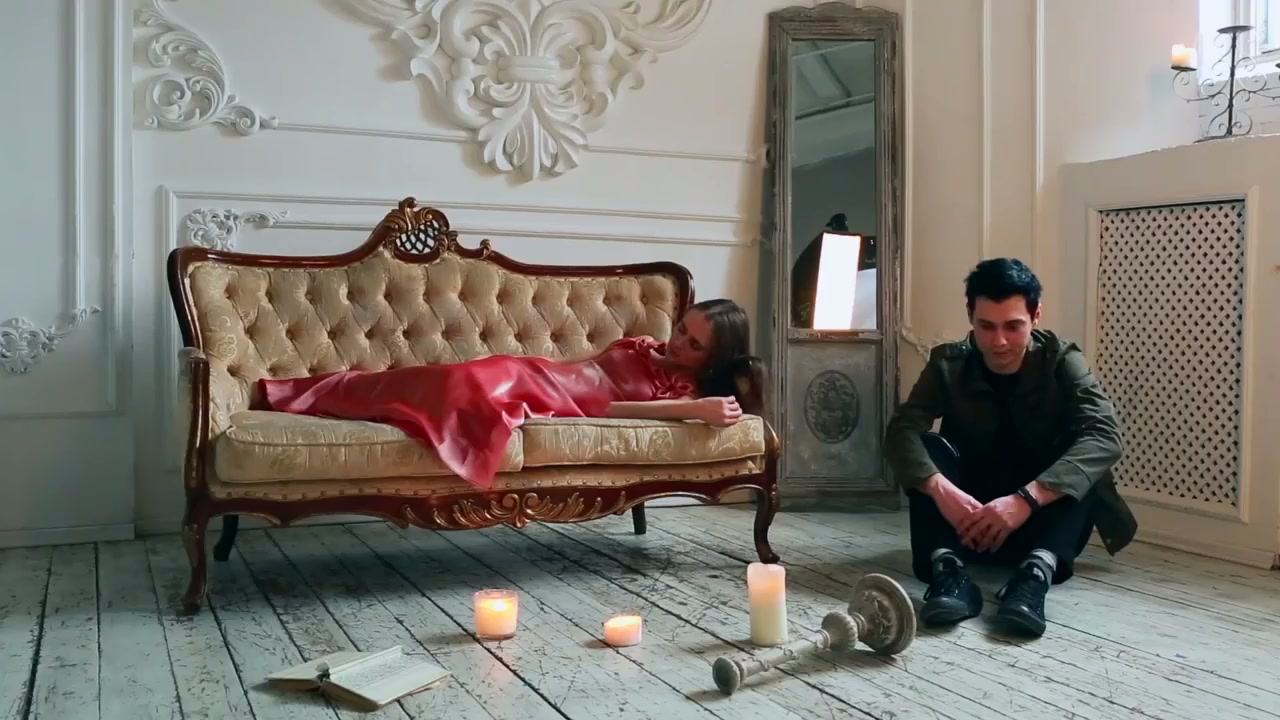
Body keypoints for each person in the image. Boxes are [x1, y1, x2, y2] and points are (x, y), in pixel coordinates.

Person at [256, 298, 766, 490]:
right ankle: (301, 394)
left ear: (713, 358)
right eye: (681, 328)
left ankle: (305, 396)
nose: (677, 342)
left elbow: (608, 407)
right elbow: (583, 367)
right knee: (432, 381)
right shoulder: (642, 344)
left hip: (560, 403)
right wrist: (536, 371)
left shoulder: (683, 389)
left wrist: (694, 407)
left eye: (693, 344)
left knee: (441, 390)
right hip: (536, 375)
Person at [884, 258, 1137, 638]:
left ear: (1036, 316)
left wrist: (1025, 500)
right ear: (970, 316)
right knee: (925, 447)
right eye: (986, 326)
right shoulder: (947, 363)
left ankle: (1033, 578)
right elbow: (901, 430)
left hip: (1038, 526)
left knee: (1081, 448)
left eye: (1013, 326)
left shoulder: (1062, 360)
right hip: (966, 523)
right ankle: (948, 573)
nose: (999, 341)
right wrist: (942, 491)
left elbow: (1105, 435)